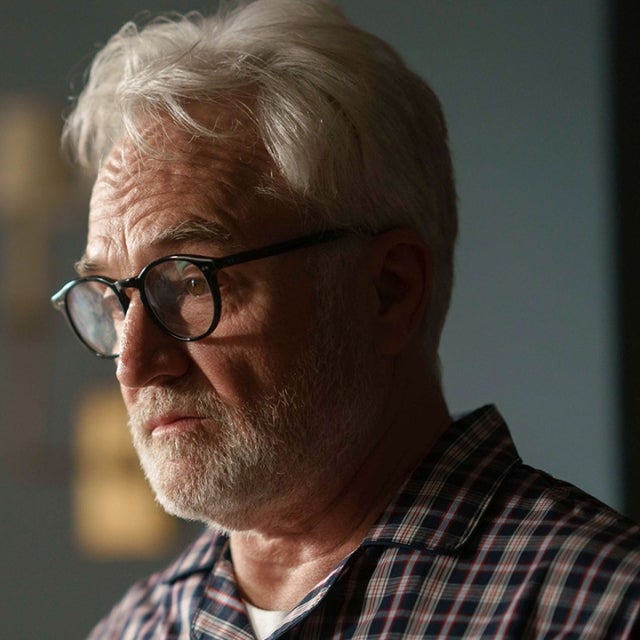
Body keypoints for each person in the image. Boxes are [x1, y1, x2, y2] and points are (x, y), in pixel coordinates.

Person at [51, 1, 640, 637]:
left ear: (389, 290)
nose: (135, 365)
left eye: (191, 282)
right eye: (113, 299)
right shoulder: (132, 630)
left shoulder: (604, 610)